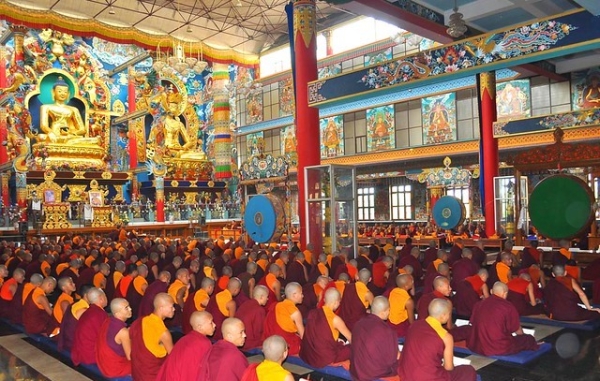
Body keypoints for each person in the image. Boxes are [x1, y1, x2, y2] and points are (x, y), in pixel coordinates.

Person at [400, 298, 477, 381]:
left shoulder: (414, 325)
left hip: (406, 374)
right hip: (428, 377)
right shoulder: (446, 337)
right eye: (449, 314)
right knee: (469, 371)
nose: (449, 317)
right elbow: (449, 368)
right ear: (443, 315)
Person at [468, 282, 539, 356]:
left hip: (476, 346)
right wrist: (524, 336)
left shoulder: (479, 304)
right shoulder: (507, 306)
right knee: (528, 339)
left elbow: (473, 324)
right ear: (505, 294)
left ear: (491, 291)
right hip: (498, 347)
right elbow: (517, 329)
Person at [38, 76, 100, 145]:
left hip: (69, 136)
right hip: (54, 136)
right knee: (41, 137)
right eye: (59, 91)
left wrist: (72, 133)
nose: (62, 93)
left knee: (91, 141)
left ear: (68, 94)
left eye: (65, 92)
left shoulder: (73, 109)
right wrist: (51, 133)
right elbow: (44, 126)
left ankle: (70, 142)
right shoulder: (46, 107)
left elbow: (83, 129)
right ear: (53, 92)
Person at [156, 311, 216, 381]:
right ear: (200, 327)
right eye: (211, 323)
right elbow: (202, 370)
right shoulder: (204, 343)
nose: (214, 325)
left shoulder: (184, 338)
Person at [300, 288, 352, 368]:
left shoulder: (312, 313)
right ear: (336, 303)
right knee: (352, 347)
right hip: (325, 358)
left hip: (308, 354)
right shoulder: (335, 319)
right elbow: (351, 339)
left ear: (324, 299)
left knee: (339, 343)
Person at [350, 296, 399, 381]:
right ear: (383, 312)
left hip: (357, 370)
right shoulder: (387, 331)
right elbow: (392, 359)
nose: (389, 312)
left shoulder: (358, 324)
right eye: (388, 310)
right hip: (373, 373)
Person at [148, 88, 206, 160]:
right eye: (171, 107)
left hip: (179, 151)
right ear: (166, 107)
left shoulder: (179, 124)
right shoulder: (161, 121)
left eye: (175, 107)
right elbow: (152, 139)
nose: (173, 109)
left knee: (202, 155)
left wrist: (182, 148)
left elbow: (189, 142)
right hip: (166, 151)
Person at [130, 293, 175, 381]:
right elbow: (173, 357)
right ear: (161, 308)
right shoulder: (163, 333)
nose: (174, 309)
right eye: (171, 306)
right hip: (152, 376)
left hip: (137, 372)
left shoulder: (140, 321)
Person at [263, 282, 304, 355]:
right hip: (286, 344)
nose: (302, 296)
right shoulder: (295, 312)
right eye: (301, 293)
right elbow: (303, 335)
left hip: (272, 341)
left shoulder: (277, 305)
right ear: (294, 295)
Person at [96, 298, 132, 378]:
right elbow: (130, 357)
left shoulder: (108, 320)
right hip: (114, 368)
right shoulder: (123, 332)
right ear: (117, 313)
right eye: (126, 308)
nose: (130, 309)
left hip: (104, 363)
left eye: (129, 306)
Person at [72, 287, 108, 366]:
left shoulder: (89, 311)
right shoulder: (98, 314)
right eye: (105, 296)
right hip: (90, 354)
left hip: (80, 350)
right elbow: (105, 337)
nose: (107, 298)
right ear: (101, 298)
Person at [236, 284, 268, 350]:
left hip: (238, 340)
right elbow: (258, 331)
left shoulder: (245, 303)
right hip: (249, 343)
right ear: (261, 297)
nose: (267, 299)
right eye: (267, 297)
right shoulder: (259, 310)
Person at [387, 273, 415, 337]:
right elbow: (411, 321)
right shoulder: (408, 301)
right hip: (399, 328)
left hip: (388, 324)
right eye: (411, 281)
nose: (413, 281)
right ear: (406, 286)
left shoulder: (392, 291)